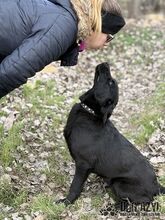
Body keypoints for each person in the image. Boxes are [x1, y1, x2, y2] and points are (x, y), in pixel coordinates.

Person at [0, 0, 125, 99]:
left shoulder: (63, 14)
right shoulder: (64, 28)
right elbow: (12, 72)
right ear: (99, 26)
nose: (106, 44)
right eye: (108, 38)